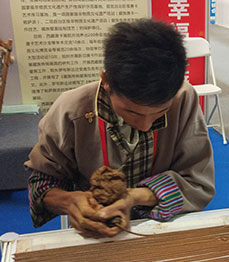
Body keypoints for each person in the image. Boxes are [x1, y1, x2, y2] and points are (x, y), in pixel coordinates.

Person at [25, 19, 215, 237]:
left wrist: (135, 196)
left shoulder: (182, 98)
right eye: (132, 112)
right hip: (96, 229)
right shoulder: (71, 111)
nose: (145, 125)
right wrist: (70, 202)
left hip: (164, 229)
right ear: (106, 81)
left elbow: (198, 181)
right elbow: (41, 184)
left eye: (160, 113)